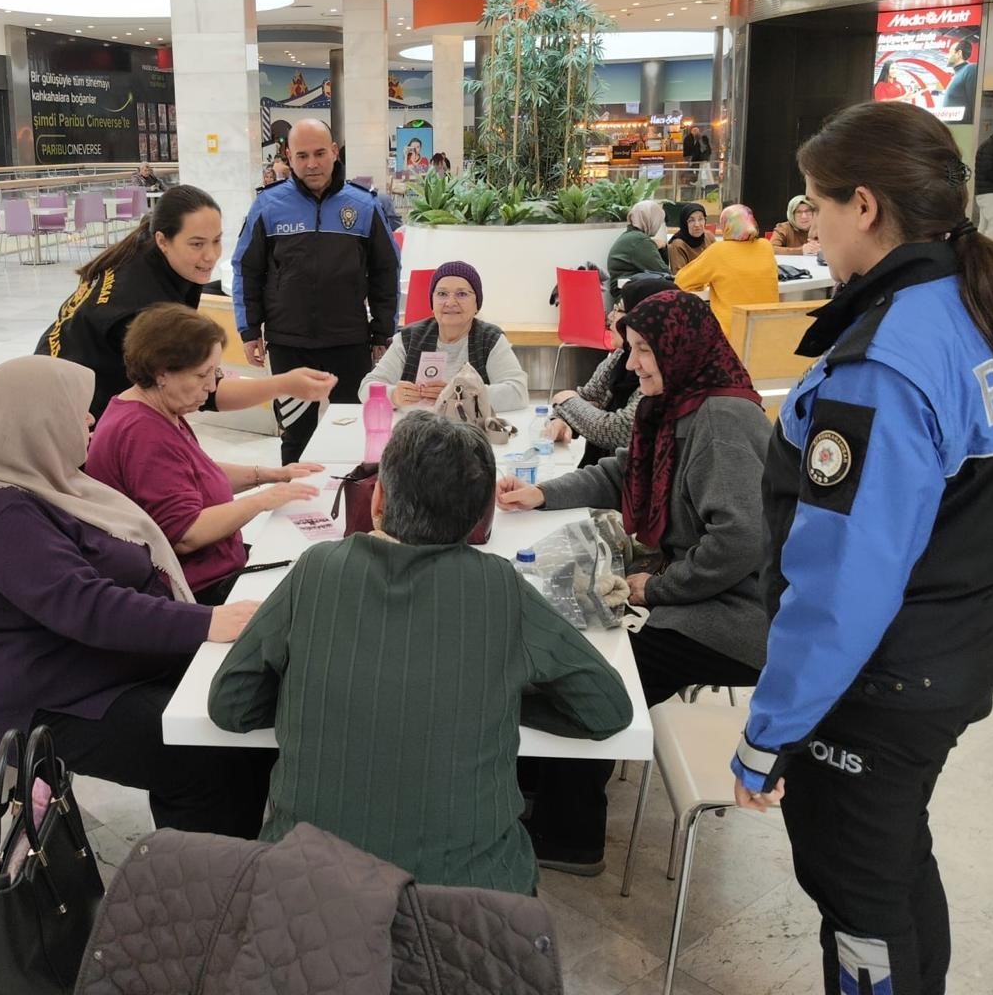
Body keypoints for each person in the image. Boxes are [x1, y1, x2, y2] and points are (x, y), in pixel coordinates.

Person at [730, 101, 993, 995]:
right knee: (895, 861)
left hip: (879, 680)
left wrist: (773, 730)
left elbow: (844, 582)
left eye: (814, 206)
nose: (812, 226)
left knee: (859, 894)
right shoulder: (987, 306)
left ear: (864, 206)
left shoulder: (882, 360)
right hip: (958, 638)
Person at [208, 411, 634, 894]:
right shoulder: (499, 587)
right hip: (469, 899)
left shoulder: (318, 570)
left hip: (309, 891)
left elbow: (231, 705)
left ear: (379, 500)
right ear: (479, 518)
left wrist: (317, 699)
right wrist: (497, 698)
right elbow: (608, 710)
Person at [0, 356, 274, 838]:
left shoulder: (47, 484)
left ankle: (228, 857)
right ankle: (206, 888)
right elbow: (87, 606)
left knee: (243, 698)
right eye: (77, 409)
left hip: (91, 666)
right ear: (39, 420)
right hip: (51, 700)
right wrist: (205, 622)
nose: (91, 419)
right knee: (213, 750)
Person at [498, 288, 771, 874]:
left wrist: (656, 589)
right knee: (569, 644)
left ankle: (570, 835)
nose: (630, 364)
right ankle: (537, 788)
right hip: (697, 593)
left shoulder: (722, 418)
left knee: (593, 681)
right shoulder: (675, 403)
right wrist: (542, 494)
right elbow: (622, 472)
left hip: (734, 617)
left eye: (643, 350)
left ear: (678, 348)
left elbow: (740, 543)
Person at [38, 184, 337, 421]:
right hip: (70, 414)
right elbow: (203, 393)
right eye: (197, 244)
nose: (211, 255)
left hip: (58, 382)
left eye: (217, 240)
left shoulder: (153, 252)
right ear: (163, 240)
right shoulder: (145, 308)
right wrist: (283, 384)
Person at [86, 305, 321, 605]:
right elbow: (186, 534)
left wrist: (271, 475)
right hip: (197, 589)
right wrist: (264, 500)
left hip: (215, 568)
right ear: (162, 372)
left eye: (215, 373)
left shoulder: (152, 407)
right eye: (202, 375)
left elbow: (196, 473)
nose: (211, 387)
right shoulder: (141, 432)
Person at [233, 119, 401, 463]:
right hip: (289, 345)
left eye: (321, 153)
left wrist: (383, 331)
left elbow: (386, 271)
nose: (312, 163)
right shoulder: (268, 206)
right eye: (303, 155)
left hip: (349, 342)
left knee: (356, 431)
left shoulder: (365, 206)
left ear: (335, 152)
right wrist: (249, 329)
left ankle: (357, 505)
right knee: (295, 438)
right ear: (289, 157)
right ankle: (293, 506)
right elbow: (246, 269)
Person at [359, 261, 529, 412]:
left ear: (477, 303)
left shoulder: (490, 339)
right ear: (432, 302)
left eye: (462, 294)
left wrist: (458, 393)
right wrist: (393, 395)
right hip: (416, 431)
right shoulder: (409, 338)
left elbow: (518, 393)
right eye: (442, 294)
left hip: (473, 433)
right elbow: (366, 388)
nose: (450, 302)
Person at [546, 275, 677, 466]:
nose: (610, 317)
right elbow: (586, 397)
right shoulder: (621, 356)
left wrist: (566, 402)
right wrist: (560, 420)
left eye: (619, 310)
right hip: (603, 473)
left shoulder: (663, 373)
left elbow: (618, 431)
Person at [673, 204, 779, 338]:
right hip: (768, 331)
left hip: (729, 335)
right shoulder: (766, 246)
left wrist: (706, 283)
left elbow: (681, 281)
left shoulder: (718, 251)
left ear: (726, 226)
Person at [607, 199, 670, 294]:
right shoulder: (639, 240)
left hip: (628, 293)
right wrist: (663, 247)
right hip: (632, 296)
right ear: (651, 219)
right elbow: (664, 273)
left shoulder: (631, 237)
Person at [665, 201, 712, 272]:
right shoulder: (677, 245)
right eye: (691, 220)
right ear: (684, 223)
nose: (697, 224)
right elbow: (679, 276)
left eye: (700, 219)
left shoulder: (708, 236)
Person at [939, 39, 977, 120]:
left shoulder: (970, 69)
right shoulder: (957, 74)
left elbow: (975, 104)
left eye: (949, 52)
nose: (947, 55)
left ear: (959, 53)